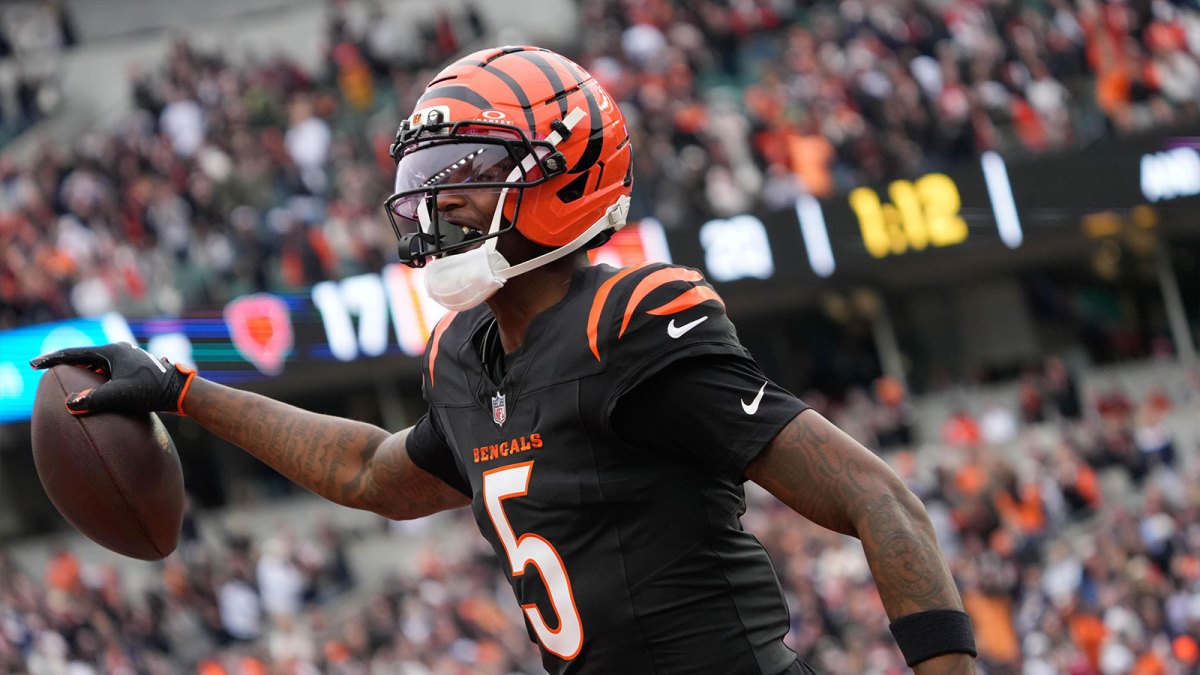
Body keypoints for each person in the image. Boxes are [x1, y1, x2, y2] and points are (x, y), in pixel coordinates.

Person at [32, 46, 976, 674]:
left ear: (566, 175)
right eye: (428, 183)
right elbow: (368, 470)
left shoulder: (627, 322)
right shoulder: (464, 355)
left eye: (469, 178)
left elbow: (878, 498)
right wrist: (185, 391)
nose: (436, 206)